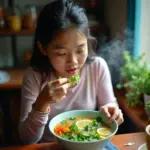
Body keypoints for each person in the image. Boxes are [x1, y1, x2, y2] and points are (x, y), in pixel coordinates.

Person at [19, 0, 124, 144]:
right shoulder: (34, 76)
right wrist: (41, 103)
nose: (73, 62)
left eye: (80, 50)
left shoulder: (97, 67)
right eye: (61, 53)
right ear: (43, 48)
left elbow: (111, 107)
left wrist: (113, 112)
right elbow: (27, 139)